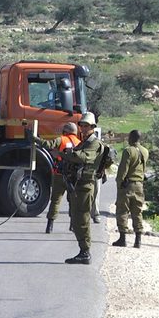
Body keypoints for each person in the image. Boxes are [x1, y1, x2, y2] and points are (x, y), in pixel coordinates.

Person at [59, 112, 104, 264]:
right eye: (81, 126)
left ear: (92, 127)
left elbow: (83, 157)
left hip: (86, 185)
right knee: (77, 219)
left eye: (86, 126)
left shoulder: (94, 143)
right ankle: (83, 250)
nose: (83, 129)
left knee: (83, 219)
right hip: (78, 185)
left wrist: (65, 154)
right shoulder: (83, 143)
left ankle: (85, 252)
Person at [32, 122, 81, 234]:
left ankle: (50, 226)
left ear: (66, 131)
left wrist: (35, 139)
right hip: (73, 177)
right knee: (73, 201)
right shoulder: (79, 143)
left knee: (55, 200)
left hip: (59, 174)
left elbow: (48, 145)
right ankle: (72, 225)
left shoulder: (62, 139)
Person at [112, 130, 149, 248]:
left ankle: (122, 238)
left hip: (127, 185)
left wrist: (119, 183)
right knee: (137, 211)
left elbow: (123, 169)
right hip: (139, 185)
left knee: (123, 210)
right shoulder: (145, 151)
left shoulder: (128, 151)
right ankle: (138, 240)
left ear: (131, 138)